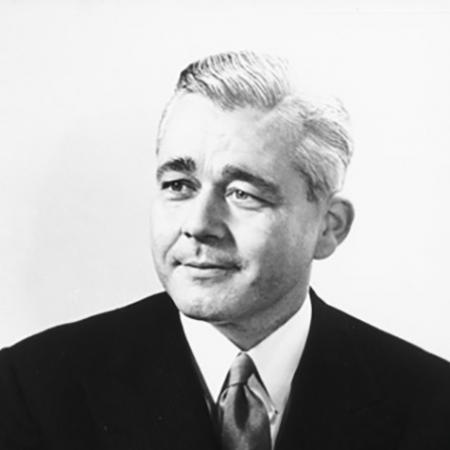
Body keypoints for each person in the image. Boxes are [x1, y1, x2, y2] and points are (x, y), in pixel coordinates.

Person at [0, 51, 449, 450]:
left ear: (328, 228)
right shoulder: (31, 389)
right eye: (178, 186)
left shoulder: (432, 403)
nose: (198, 225)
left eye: (243, 193)